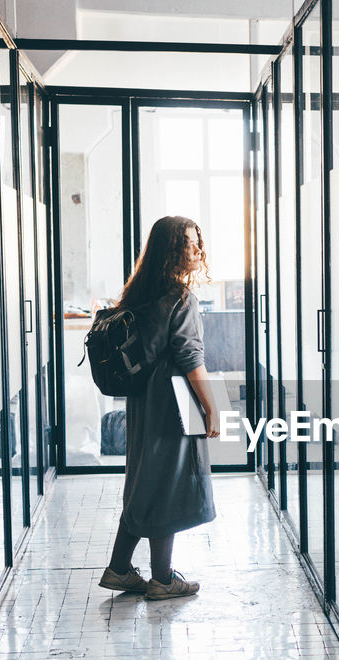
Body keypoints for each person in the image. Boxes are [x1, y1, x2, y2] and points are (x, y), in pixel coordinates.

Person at [98, 215, 221, 600]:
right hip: (174, 401)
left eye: (198, 241)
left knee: (144, 481)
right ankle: (163, 579)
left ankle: (120, 569)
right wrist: (212, 408)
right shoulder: (180, 298)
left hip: (143, 402)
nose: (197, 249)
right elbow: (190, 358)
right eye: (190, 241)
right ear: (171, 249)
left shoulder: (138, 295)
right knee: (166, 484)